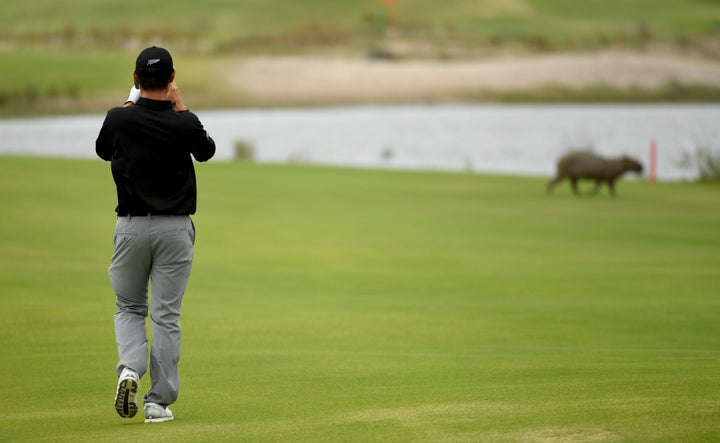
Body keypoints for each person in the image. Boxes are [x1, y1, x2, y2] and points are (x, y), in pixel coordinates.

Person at [95, 46, 216, 423]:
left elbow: (102, 150)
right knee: (166, 316)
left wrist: (129, 106)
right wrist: (180, 107)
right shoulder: (184, 123)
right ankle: (157, 403)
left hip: (130, 227)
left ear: (135, 79)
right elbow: (206, 150)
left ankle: (130, 370)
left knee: (130, 306)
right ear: (172, 78)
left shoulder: (119, 118)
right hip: (175, 229)